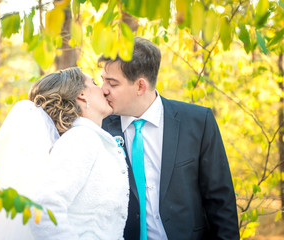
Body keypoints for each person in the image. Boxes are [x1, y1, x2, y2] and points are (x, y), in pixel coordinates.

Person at [99, 37, 239, 240]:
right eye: (102, 79)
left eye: (112, 83)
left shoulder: (198, 122)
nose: (103, 89)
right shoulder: (99, 128)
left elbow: (221, 202)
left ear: (140, 87)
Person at [0, 67, 129, 239]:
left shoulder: (89, 138)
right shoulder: (81, 139)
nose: (104, 89)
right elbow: (44, 209)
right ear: (82, 94)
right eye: (95, 83)